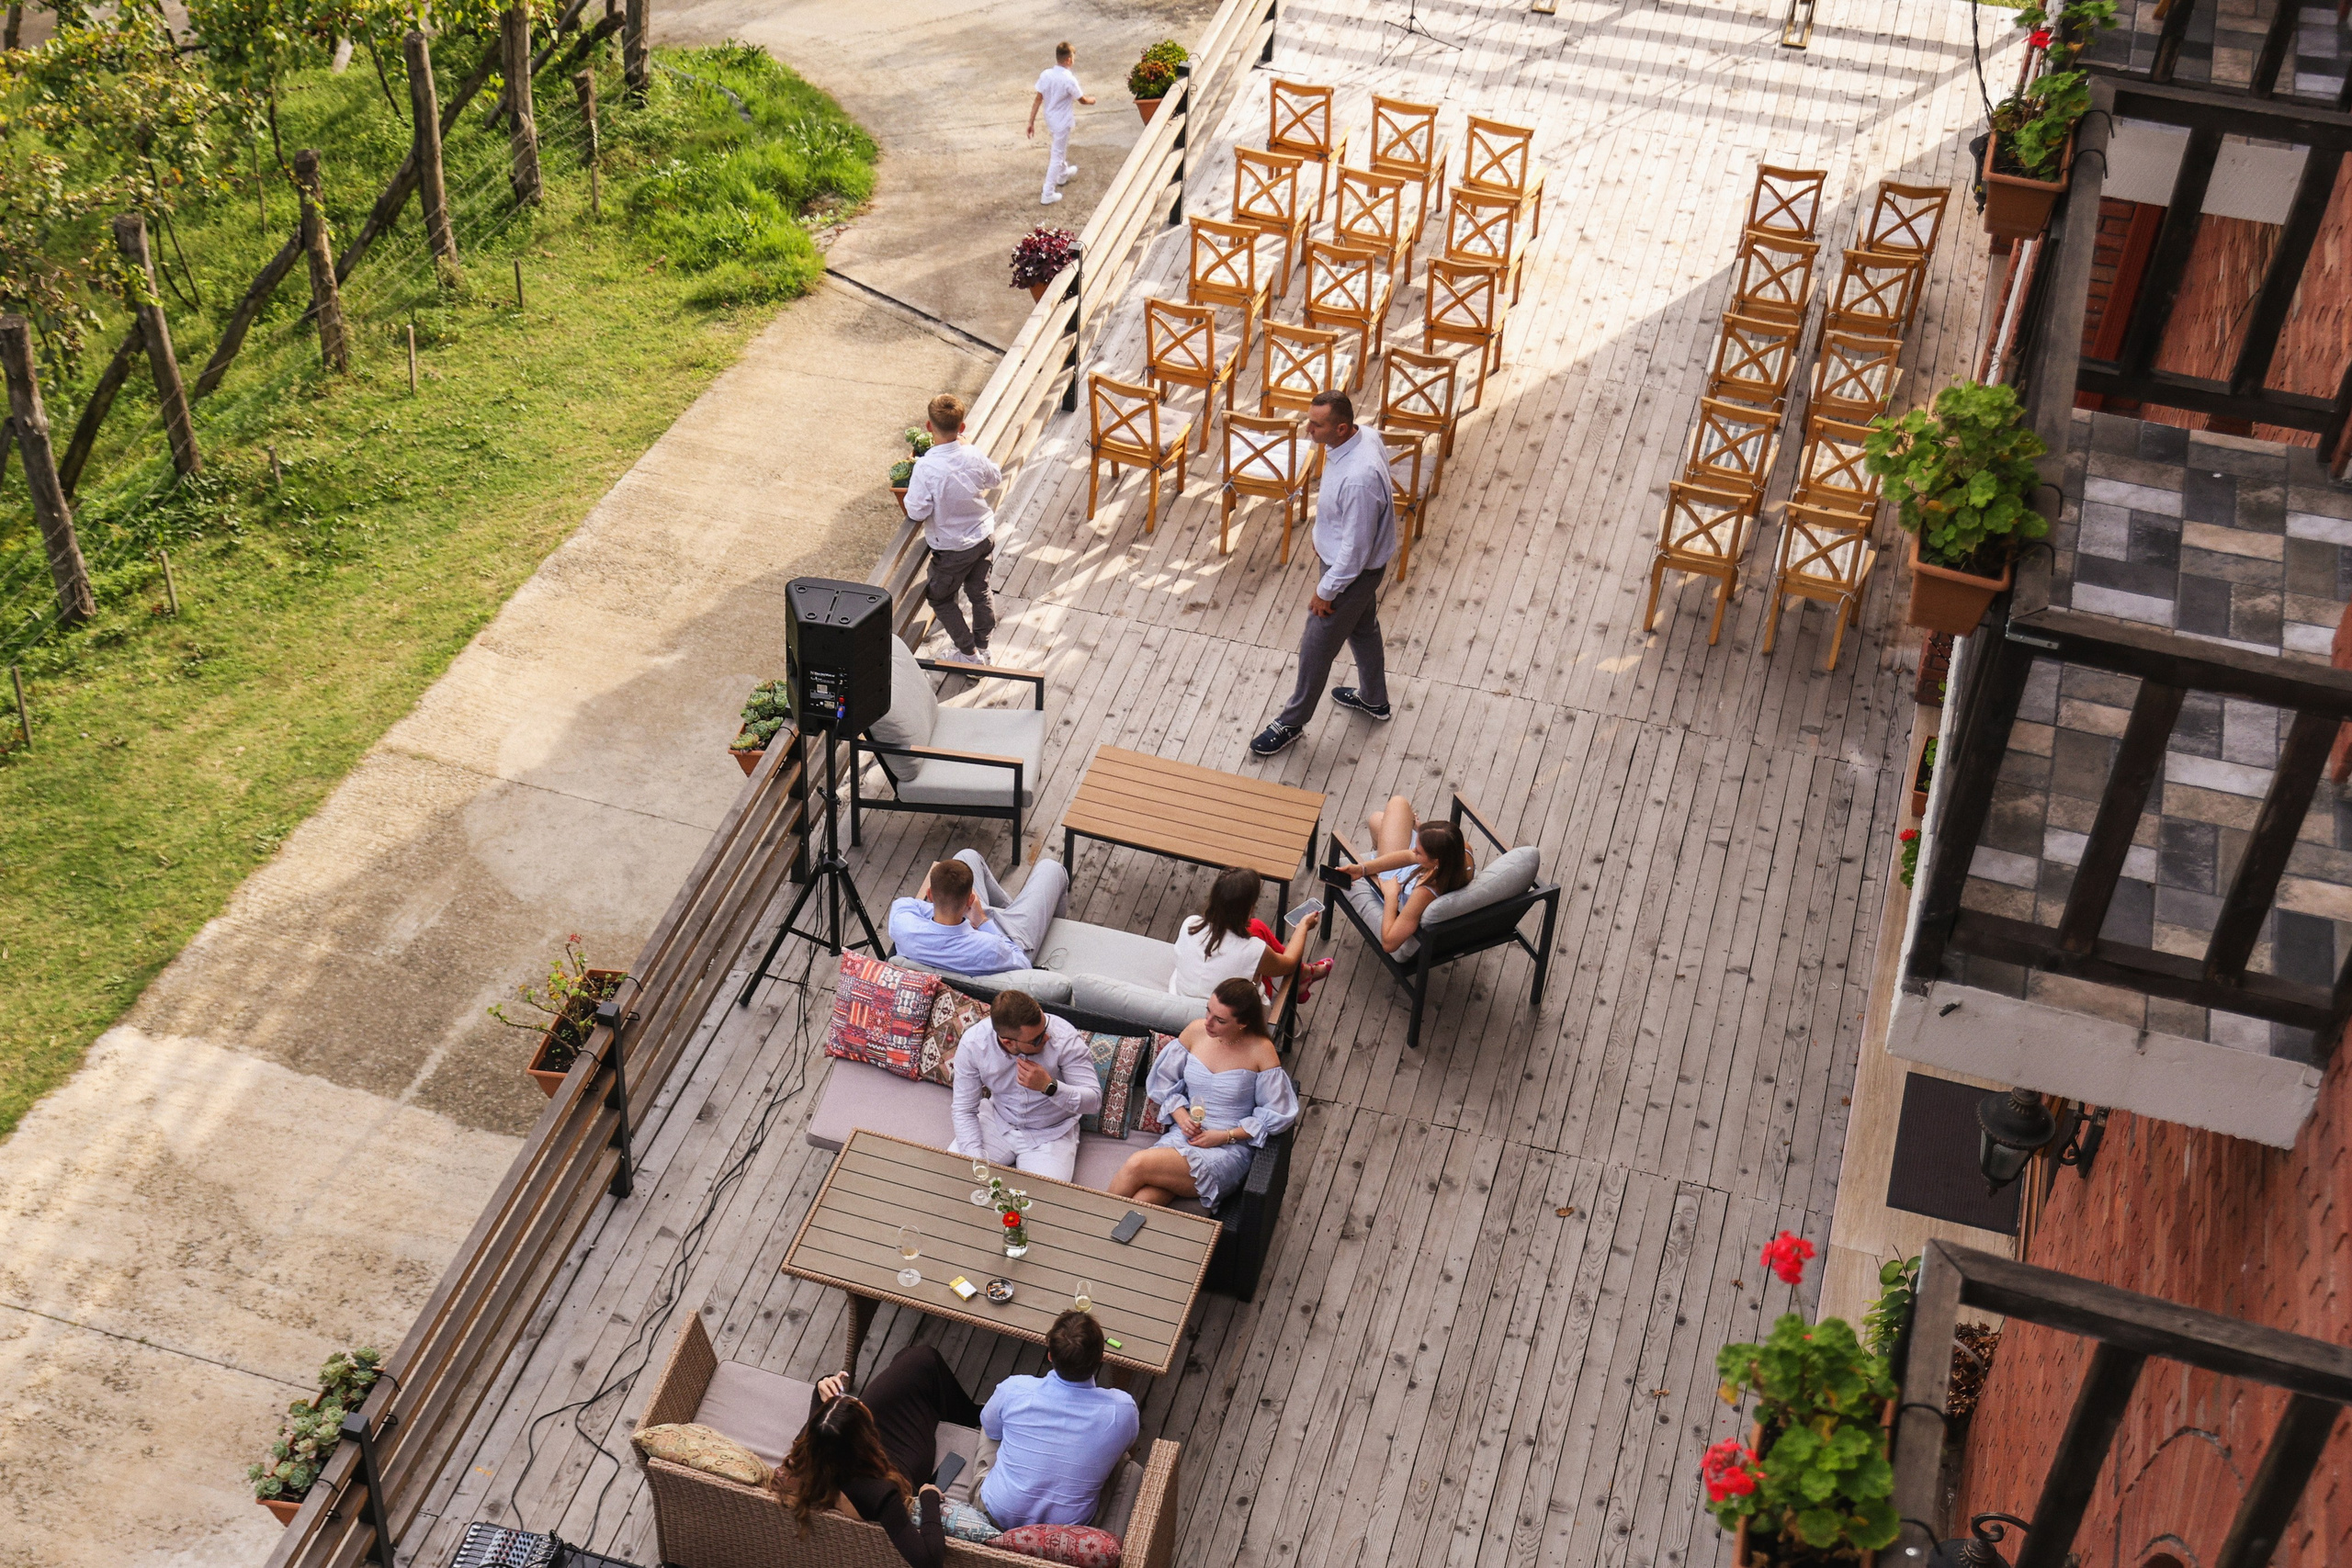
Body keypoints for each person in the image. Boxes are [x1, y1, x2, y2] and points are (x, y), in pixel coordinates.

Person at [1250, 389, 1399, 758]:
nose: (1308, 429)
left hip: (1347, 575)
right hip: (1351, 569)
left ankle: (1291, 722)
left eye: (1316, 425)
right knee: (1364, 629)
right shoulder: (1367, 437)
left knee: (1315, 648)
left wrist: (1327, 590)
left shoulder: (1360, 480)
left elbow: (1355, 551)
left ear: (1343, 428)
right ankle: (1374, 699)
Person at [775, 1344, 984, 1568]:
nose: (857, 1401)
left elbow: (820, 1419)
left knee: (914, 1359)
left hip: (853, 1450)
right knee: (925, 1360)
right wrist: (929, 1496)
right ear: (866, 1435)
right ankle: (973, 1417)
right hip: (900, 1459)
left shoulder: (807, 1452)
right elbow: (929, 1561)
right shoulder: (877, 1492)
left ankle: (961, 1409)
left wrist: (822, 1386)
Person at [1112, 977, 1300, 1210]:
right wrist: (1181, 1116)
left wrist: (1225, 1136)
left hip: (1227, 1149)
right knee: (1144, 1200)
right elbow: (1165, 1080)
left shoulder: (1261, 1050)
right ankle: (1100, 1239)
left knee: (1137, 1164)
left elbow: (1277, 1113)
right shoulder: (1196, 1031)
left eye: (1219, 1020)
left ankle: (1085, 1217)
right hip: (1185, 1134)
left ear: (1243, 1023)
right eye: (1207, 1011)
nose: (1208, 1023)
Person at [979, 1309, 1138, 1529]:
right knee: (1118, 1455)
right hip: (1066, 1531)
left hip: (998, 1513)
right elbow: (1127, 1447)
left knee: (992, 1421)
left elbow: (991, 1429)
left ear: (1050, 1355)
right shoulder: (1122, 1409)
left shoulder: (1014, 1390)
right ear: (1101, 1358)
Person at [949, 990, 1101, 1181]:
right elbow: (964, 1109)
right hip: (998, 1121)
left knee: (1042, 1205)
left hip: (1050, 1133)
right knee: (953, 1175)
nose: (1046, 1038)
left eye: (1044, 1027)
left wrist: (1049, 1087)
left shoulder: (1064, 1038)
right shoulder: (974, 1044)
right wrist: (975, 1159)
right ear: (1008, 1042)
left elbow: (1094, 1101)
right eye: (1036, 1039)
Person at [903, 393, 1003, 666]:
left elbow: (916, 510)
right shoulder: (971, 453)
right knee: (980, 591)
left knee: (941, 598)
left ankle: (968, 654)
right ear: (962, 428)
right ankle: (983, 646)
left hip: (952, 548)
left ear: (928, 426)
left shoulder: (926, 467)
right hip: (982, 536)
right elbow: (995, 478)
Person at [1330, 796, 1476, 953]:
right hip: (1417, 872)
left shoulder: (1424, 893)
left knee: (1386, 812)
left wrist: (1391, 896)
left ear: (1435, 861)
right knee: (1379, 819)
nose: (1413, 851)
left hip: (1395, 884)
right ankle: (1404, 837)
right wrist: (1362, 869)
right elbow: (1409, 856)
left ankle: (1384, 847)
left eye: (1418, 851)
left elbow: (1389, 943)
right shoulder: (1463, 853)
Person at [888, 851, 1069, 976]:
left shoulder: (903, 925)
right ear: (970, 900)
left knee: (967, 855)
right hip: (1008, 937)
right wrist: (982, 921)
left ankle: (1011, 910)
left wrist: (958, 913)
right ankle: (1035, 920)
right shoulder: (990, 947)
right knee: (1052, 868)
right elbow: (1022, 963)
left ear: (929, 895)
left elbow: (908, 904)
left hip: (969, 922)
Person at [1169, 866, 1329, 1000]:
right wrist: (1303, 927)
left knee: (1256, 928)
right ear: (1249, 908)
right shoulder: (1254, 950)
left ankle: (1304, 975)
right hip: (1228, 1021)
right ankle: (1305, 974)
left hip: (1181, 1004)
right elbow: (1289, 963)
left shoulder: (1190, 924)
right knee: (1261, 955)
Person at [1025, 41, 1093, 206]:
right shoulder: (1069, 79)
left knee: (1059, 148)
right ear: (1069, 60)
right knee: (1056, 155)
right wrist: (1092, 100)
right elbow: (1082, 100)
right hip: (1062, 122)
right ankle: (1047, 192)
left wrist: (1031, 122)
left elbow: (1038, 99)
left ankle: (1063, 174)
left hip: (1050, 119)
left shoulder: (1046, 75)